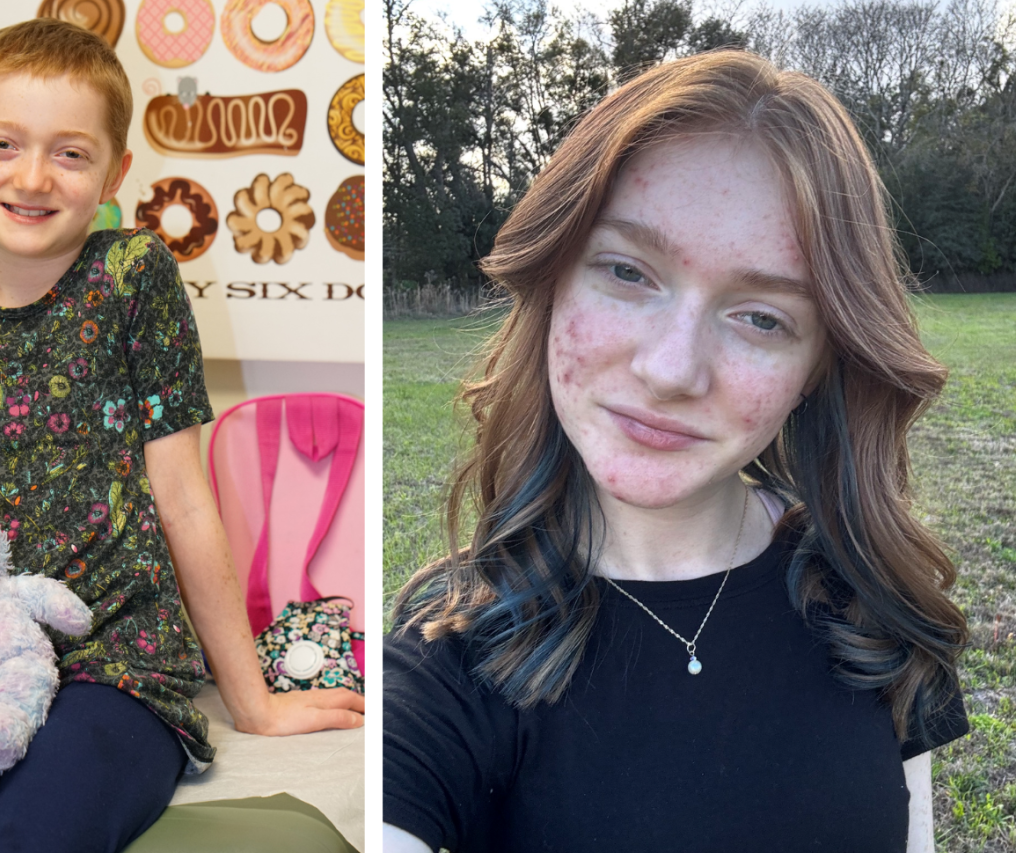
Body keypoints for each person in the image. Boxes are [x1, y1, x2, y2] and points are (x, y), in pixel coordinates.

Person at [383, 49, 969, 853]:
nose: (670, 370)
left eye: (762, 317)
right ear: (554, 278)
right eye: (628, 271)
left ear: (817, 366)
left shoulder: (873, 603)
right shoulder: (447, 657)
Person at [0, 17, 363, 853]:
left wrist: (253, 698)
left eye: (70, 153)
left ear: (116, 170)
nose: (33, 176)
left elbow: (185, 502)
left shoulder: (134, 275)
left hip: (112, 655)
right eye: (3, 144)